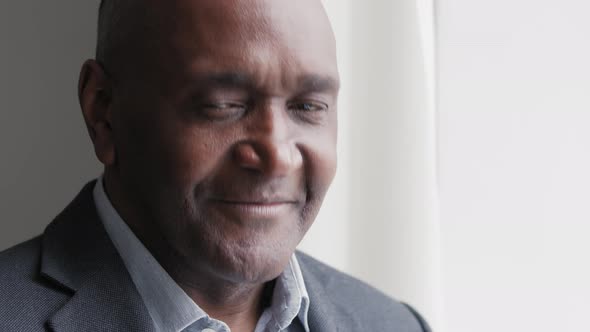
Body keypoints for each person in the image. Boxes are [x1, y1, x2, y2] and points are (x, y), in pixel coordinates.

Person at [0, 1, 431, 331]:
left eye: (307, 106)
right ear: (104, 112)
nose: (277, 155)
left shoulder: (392, 323)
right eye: (223, 105)